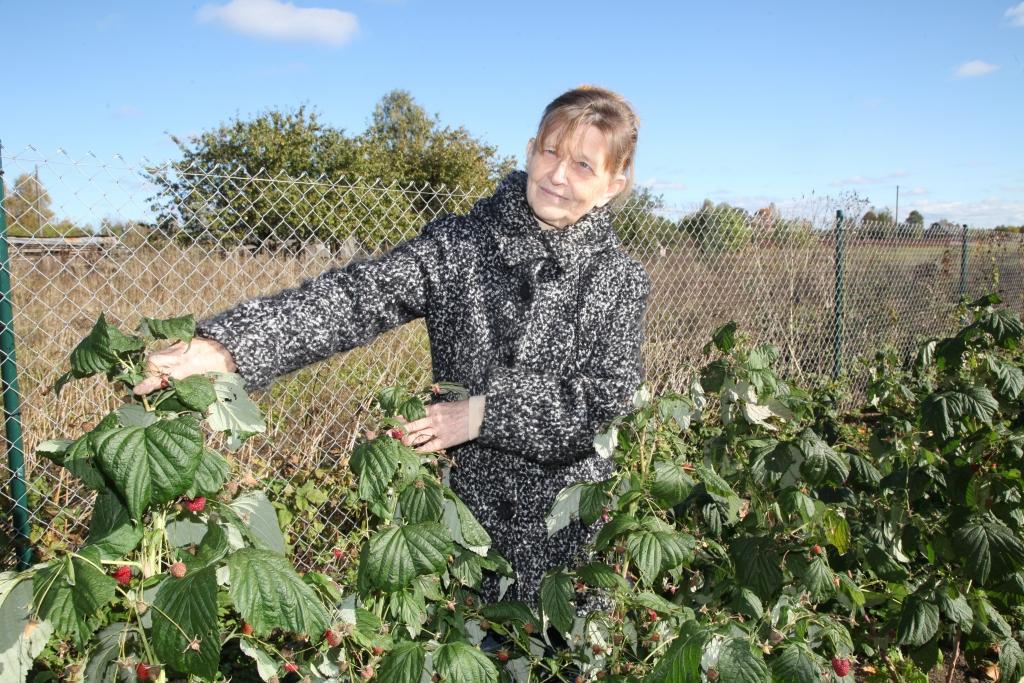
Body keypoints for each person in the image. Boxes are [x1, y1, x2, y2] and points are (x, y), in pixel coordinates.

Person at [135, 85, 650, 609]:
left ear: (613, 184)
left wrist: (485, 414)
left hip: (564, 537)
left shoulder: (618, 280)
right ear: (530, 149)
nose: (558, 175)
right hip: (462, 529)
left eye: (584, 165)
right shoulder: (459, 246)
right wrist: (228, 349)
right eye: (551, 151)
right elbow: (358, 296)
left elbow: (607, 399)